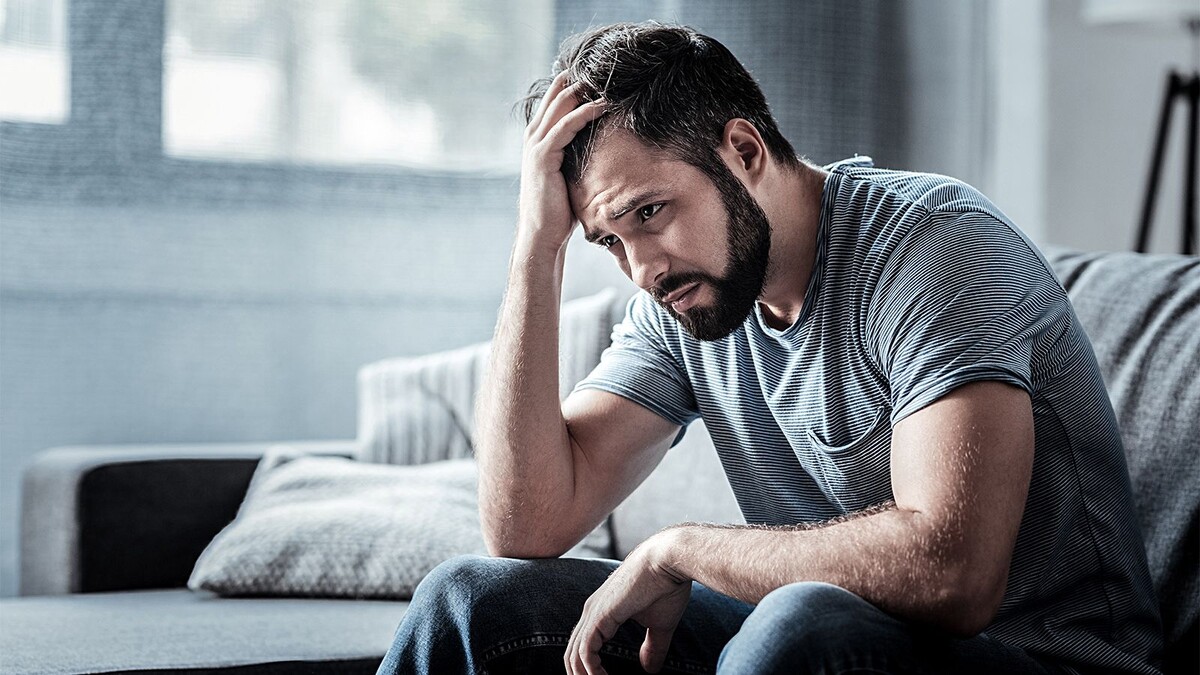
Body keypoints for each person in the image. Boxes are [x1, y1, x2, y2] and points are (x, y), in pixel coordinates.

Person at [377, 21, 1163, 675]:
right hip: (816, 641)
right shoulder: (684, 299)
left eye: (650, 212)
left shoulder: (937, 249)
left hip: (1043, 660)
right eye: (609, 241)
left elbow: (952, 572)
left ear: (744, 151)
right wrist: (534, 247)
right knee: (473, 600)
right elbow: (525, 525)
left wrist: (681, 549)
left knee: (799, 622)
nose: (642, 269)